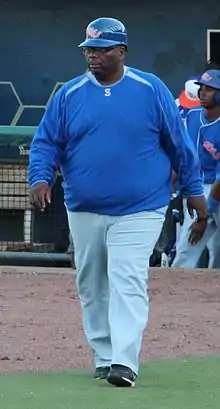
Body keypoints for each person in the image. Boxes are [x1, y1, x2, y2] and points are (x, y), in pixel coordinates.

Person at [28, 17, 207, 387]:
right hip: (84, 206)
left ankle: (124, 362)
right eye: (89, 49)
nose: (93, 55)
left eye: (102, 49)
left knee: (127, 277)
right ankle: (104, 355)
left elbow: (178, 142)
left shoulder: (149, 88)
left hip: (140, 207)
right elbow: (47, 141)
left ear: (121, 51)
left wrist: (192, 189)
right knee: (91, 282)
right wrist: (40, 177)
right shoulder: (70, 93)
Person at [172, 69, 220, 268]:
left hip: (215, 186)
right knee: (185, 251)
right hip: (197, 186)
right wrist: (172, 186)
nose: (203, 93)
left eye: (210, 89)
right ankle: (176, 296)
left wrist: (206, 212)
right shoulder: (192, 116)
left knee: (217, 255)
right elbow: (183, 156)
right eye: (202, 88)